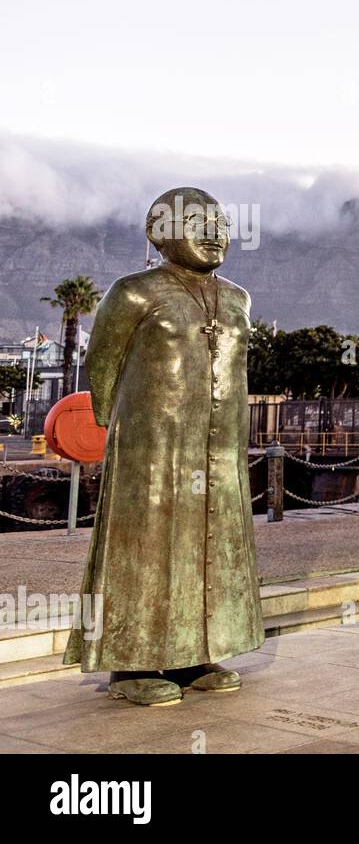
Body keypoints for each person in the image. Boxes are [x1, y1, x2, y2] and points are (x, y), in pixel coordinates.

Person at [65, 187, 263, 706]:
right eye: (197, 222)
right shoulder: (133, 292)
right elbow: (103, 366)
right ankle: (129, 663)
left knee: (211, 545)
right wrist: (123, 436)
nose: (214, 231)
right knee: (145, 546)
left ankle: (198, 651)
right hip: (152, 449)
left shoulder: (238, 298)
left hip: (219, 450)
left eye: (220, 222)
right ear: (159, 233)